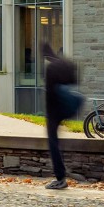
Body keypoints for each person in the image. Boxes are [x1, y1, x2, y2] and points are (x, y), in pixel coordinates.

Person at [41, 43, 81, 190]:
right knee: (56, 142)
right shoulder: (67, 63)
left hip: (54, 111)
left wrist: (49, 114)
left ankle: (60, 178)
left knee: (53, 143)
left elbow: (50, 93)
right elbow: (75, 81)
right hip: (67, 108)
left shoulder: (51, 68)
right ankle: (61, 175)